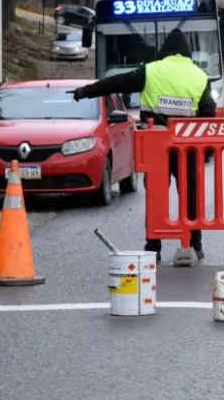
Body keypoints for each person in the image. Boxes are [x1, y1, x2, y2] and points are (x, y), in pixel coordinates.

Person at [71, 29, 215, 262]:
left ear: (164, 52)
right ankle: (194, 244)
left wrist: (85, 91)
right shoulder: (199, 76)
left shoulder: (151, 71)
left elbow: (116, 83)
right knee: (189, 197)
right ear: (187, 53)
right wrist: (206, 149)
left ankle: (153, 247)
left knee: (156, 197)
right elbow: (208, 114)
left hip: (156, 149)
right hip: (187, 150)